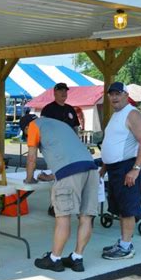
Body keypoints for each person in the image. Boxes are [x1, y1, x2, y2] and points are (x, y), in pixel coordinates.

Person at [20, 114, 98, 272]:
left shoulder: (34, 126)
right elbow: (68, 152)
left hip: (70, 173)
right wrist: (53, 175)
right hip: (91, 168)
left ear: (27, 128)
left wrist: (29, 179)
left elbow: (31, 158)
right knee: (86, 216)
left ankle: (55, 259)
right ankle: (77, 258)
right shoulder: (59, 123)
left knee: (63, 217)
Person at [100, 82, 141, 260]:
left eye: (118, 93)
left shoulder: (132, 114)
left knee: (128, 208)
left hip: (126, 168)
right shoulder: (116, 115)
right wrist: (104, 169)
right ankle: (123, 242)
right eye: (111, 94)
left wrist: (135, 169)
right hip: (114, 169)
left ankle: (127, 247)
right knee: (121, 208)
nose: (114, 97)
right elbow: (112, 143)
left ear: (125, 95)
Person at [40, 82, 81, 217]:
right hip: (55, 149)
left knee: (68, 176)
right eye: (61, 91)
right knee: (55, 176)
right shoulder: (48, 109)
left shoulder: (70, 109)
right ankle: (53, 205)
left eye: (65, 91)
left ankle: (66, 202)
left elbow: (75, 127)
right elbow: (43, 128)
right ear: (55, 93)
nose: (64, 93)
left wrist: (77, 143)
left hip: (70, 148)